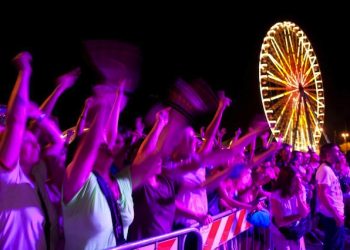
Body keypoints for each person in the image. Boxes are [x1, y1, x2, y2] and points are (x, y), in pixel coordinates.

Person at [0, 52, 47, 249]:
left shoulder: (33, 183)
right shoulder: (7, 176)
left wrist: (41, 116)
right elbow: (16, 123)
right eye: (28, 142)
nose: (37, 145)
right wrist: (25, 72)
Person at [270, 165, 310, 250]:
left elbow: (304, 212)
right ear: (287, 181)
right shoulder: (276, 195)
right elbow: (279, 222)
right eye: (295, 179)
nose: (299, 182)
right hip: (281, 233)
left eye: (299, 178)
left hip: (295, 231)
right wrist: (298, 216)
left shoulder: (300, 189)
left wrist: (299, 197)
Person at [316, 143, 345, 250]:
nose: (339, 153)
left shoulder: (329, 169)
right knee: (334, 245)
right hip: (331, 215)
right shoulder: (325, 170)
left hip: (334, 213)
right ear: (328, 153)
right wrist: (336, 214)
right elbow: (322, 194)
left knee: (336, 243)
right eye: (336, 151)